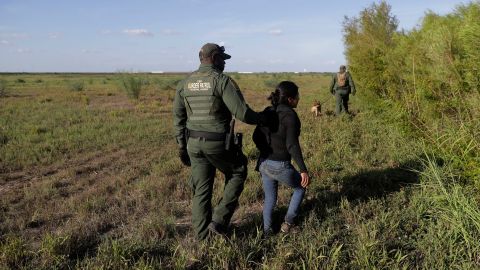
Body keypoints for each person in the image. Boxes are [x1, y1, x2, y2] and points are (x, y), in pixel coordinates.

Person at [173, 43, 265, 240]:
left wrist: (182, 146)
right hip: (217, 143)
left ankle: (202, 238)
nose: (224, 63)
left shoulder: (185, 83)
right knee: (238, 171)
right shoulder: (222, 81)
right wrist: (264, 117)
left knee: (201, 190)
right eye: (223, 59)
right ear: (214, 58)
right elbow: (243, 113)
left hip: (194, 144)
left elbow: (178, 119)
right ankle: (219, 221)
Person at [252, 81, 310, 236]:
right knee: (301, 187)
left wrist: (266, 152)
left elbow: (255, 136)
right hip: (280, 164)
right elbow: (292, 145)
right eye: (297, 95)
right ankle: (288, 225)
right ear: (290, 99)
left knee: (270, 198)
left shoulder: (268, 110)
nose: (299, 98)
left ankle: (267, 231)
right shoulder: (290, 116)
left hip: (263, 163)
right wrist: (303, 170)